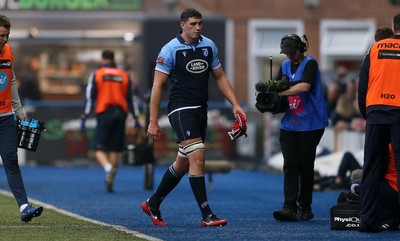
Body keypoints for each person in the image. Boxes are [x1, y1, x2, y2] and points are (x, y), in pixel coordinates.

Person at [142, 8, 246, 227]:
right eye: (193, 24)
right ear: (182, 25)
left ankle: (153, 203)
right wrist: (152, 121)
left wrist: (236, 105)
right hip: (180, 110)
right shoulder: (170, 50)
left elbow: (220, 77)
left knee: (182, 164)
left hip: (200, 110)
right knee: (198, 157)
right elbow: (157, 86)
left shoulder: (209, 46)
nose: (198, 27)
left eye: (200, 23)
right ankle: (207, 214)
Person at [271, 33, 328, 222]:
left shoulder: (310, 63)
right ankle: (289, 206)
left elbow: (304, 87)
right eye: (286, 53)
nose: (288, 56)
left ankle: (305, 207)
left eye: (291, 52)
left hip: (311, 123)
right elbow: (276, 90)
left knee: (305, 166)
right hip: (290, 124)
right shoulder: (285, 65)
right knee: (290, 166)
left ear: (300, 49)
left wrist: (280, 90)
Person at [357, 13, 400, 232]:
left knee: (371, 167)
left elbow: (362, 85)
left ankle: (367, 220)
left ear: (393, 29)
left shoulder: (374, 49)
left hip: (375, 111)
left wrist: (368, 113)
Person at [0, 14, 43, 222]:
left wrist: (19, 110)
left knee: (11, 160)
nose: (4, 39)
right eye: (0, 35)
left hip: (6, 116)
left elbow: (11, 80)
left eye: (6, 35)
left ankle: (24, 207)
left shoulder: (8, 52)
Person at [83, 50, 138, 193]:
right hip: (121, 114)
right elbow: (131, 99)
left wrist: (85, 114)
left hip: (104, 113)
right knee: (115, 149)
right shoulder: (124, 75)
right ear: (114, 59)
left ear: (102, 59)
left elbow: (90, 96)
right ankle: (111, 178)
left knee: (98, 148)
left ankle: (108, 170)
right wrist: (136, 118)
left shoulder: (97, 74)